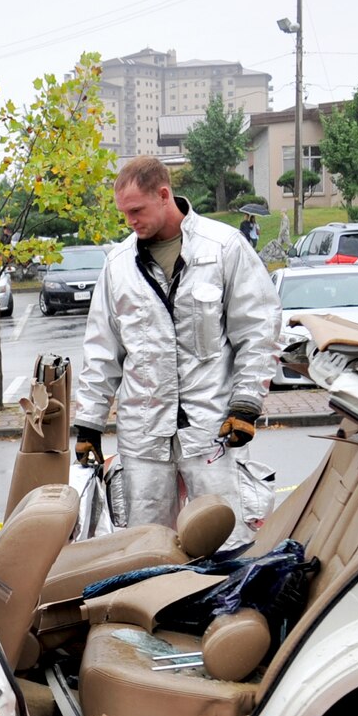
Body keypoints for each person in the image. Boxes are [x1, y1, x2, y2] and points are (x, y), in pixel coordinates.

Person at [74, 157, 279, 535]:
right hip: (143, 434)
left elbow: (257, 331)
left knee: (224, 535)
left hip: (211, 428)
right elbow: (102, 351)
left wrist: (247, 404)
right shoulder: (118, 265)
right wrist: (88, 423)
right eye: (124, 213)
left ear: (164, 195)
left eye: (136, 210)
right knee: (146, 543)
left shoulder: (223, 248)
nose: (130, 221)